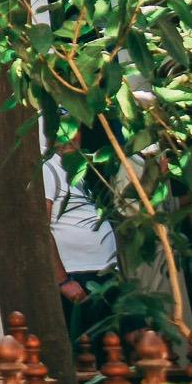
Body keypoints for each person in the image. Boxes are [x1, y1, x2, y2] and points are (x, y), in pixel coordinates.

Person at [44, 139, 118, 344]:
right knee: (88, 352)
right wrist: (63, 281)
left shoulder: (77, 169)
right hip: (77, 277)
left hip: (102, 273)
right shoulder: (47, 168)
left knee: (111, 348)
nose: (70, 136)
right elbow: (41, 228)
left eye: (75, 127)